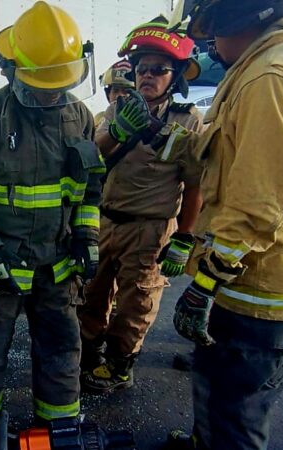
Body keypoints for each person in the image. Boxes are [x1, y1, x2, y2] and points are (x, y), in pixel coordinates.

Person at [163, 1, 283, 448]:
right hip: (272, 272)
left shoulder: (271, 79)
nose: (210, 46)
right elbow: (231, 152)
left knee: (236, 409)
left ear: (236, 21)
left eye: (211, 33)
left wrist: (206, 282)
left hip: (259, 285)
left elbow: (259, 202)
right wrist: (168, 140)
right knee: (219, 379)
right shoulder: (271, 63)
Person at [0, 1, 104, 447]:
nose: (53, 95)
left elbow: (87, 190)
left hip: (55, 268)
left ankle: (59, 428)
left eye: (61, 86)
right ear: (11, 70)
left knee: (62, 351)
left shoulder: (78, 116)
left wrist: (86, 235)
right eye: (44, 86)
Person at [76, 16, 204, 394]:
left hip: (149, 229)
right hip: (105, 222)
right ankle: (86, 354)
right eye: (141, 69)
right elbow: (93, 157)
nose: (147, 76)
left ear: (175, 75)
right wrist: (117, 133)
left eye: (158, 70)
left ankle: (118, 366)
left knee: (136, 303)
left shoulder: (188, 122)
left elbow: (194, 184)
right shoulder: (117, 111)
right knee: (90, 293)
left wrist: (184, 237)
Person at [94, 60, 135, 128]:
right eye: (116, 90)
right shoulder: (99, 120)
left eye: (126, 91)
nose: (120, 95)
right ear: (108, 95)